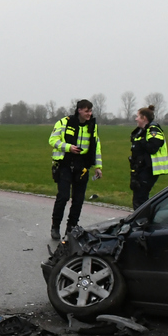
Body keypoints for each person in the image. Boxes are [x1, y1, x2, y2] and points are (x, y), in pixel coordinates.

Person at [49, 99, 102, 241]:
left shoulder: (92, 126)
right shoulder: (64, 122)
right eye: (86, 111)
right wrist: (68, 147)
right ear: (79, 110)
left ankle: (71, 227)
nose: (89, 114)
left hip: (82, 166)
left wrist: (98, 166)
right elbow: (52, 140)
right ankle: (55, 226)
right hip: (65, 164)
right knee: (63, 196)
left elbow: (96, 146)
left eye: (90, 111)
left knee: (78, 200)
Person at [129, 105, 168, 210]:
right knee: (139, 196)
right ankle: (142, 217)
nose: (136, 119)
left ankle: (143, 218)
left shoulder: (154, 130)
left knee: (140, 197)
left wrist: (142, 141)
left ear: (144, 118)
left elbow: (153, 148)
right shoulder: (141, 131)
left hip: (150, 169)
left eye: (138, 116)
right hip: (141, 168)